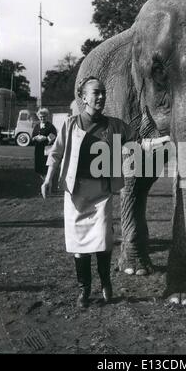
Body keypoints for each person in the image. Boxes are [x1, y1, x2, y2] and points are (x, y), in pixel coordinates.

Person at [41, 76, 170, 309]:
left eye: (103, 92)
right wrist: (49, 178)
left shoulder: (115, 125)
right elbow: (56, 153)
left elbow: (137, 142)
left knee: (103, 241)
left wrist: (163, 140)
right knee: (79, 248)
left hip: (101, 193)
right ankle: (84, 291)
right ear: (83, 97)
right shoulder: (70, 124)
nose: (101, 97)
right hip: (76, 195)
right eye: (95, 93)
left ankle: (105, 283)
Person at [32, 108, 57, 181]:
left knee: (46, 169)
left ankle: (47, 185)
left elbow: (54, 136)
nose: (42, 118)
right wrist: (35, 138)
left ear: (47, 116)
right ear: (38, 117)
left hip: (47, 151)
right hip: (38, 150)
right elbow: (33, 136)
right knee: (39, 169)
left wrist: (45, 138)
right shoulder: (37, 126)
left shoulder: (50, 126)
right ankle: (44, 183)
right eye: (41, 116)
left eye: (44, 116)